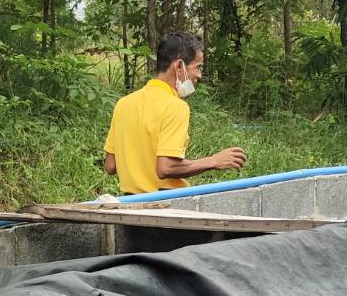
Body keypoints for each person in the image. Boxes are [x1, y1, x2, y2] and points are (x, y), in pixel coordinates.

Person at [103, 31, 246, 195]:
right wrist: (213, 161)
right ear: (179, 66)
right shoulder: (175, 106)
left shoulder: (124, 104)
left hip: (131, 202)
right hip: (165, 202)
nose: (199, 75)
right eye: (197, 67)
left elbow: (110, 166)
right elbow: (166, 168)